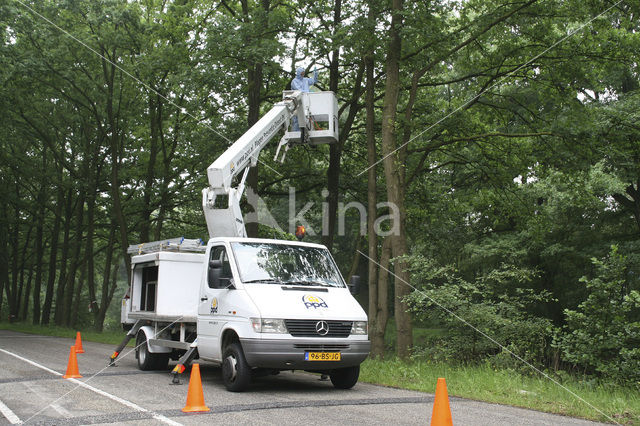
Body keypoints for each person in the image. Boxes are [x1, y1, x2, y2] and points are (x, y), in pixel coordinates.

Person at [290, 66, 319, 131]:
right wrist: (307, 92)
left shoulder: (305, 80)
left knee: (306, 119)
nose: (303, 75)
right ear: (298, 73)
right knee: (297, 119)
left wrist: (315, 74)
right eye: (302, 73)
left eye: (303, 73)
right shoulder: (294, 81)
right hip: (297, 103)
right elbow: (299, 90)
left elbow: (314, 81)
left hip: (306, 103)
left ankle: (304, 133)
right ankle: (296, 133)